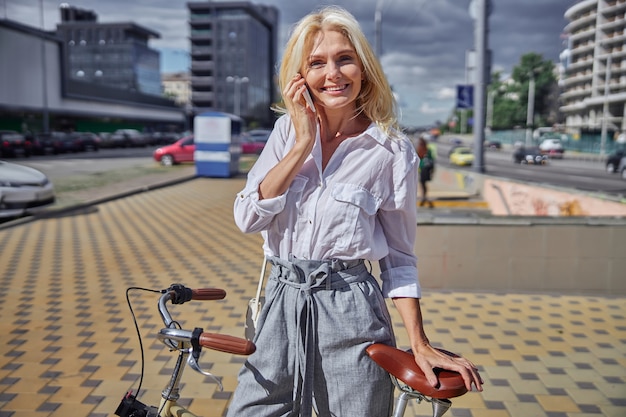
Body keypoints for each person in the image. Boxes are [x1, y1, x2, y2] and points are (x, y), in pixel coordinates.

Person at [229, 6, 482, 417]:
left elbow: (398, 258)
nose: (333, 73)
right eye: (317, 63)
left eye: (344, 58)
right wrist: (300, 144)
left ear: (363, 68)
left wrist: (418, 342)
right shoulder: (285, 133)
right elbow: (247, 218)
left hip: (350, 310)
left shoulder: (391, 151)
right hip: (282, 300)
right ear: (300, 76)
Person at [417, 136, 435, 208]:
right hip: (427, 169)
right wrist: (432, 170)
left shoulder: (419, 150)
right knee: (424, 183)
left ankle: (423, 196)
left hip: (422, 168)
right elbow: (432, 160)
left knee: (422, 183)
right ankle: (424, 195)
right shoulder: (428, 150)